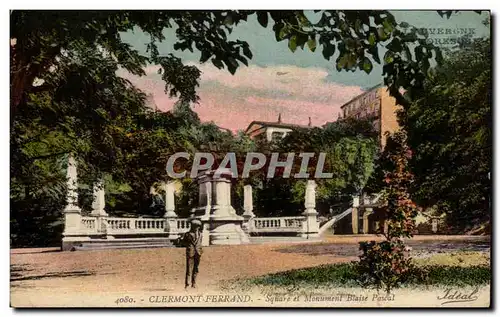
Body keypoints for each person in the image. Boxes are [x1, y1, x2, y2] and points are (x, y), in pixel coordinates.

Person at [180, 219, 203, 289]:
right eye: (195, 226)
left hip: (198, 253)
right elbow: (183, 243)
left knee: (196, 269)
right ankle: (187, 284)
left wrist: (200, 250)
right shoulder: (187, 234)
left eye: (198, 226)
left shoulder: (200, 234)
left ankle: (194, 283)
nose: (197, 228)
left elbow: (200, 243)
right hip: (190, 252)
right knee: (189, 269)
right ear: (192, 227)